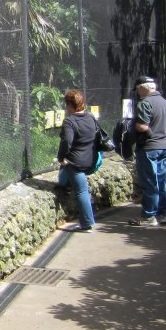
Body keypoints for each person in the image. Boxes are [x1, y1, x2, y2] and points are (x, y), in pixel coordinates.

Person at [129, 74, 166, 227]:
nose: (138, 93)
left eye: (138, 90)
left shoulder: (145, 103)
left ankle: (148, 216)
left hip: (148, 148)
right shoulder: (165, 103)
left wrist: (131, 126)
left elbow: (142, 126)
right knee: (161, 181)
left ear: (143, 88)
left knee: (149, 182)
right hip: (163, 146)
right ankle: (161, 215)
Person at [56, 89, 99, 232]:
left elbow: (67, 142)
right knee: (72, 181)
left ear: (70, 105)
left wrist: (61, 158)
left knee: (81, 191)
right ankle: (67, 185)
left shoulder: (70, 121)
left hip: (75, 162)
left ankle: (87, 223)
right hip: (89, 159)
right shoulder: (90, 117)